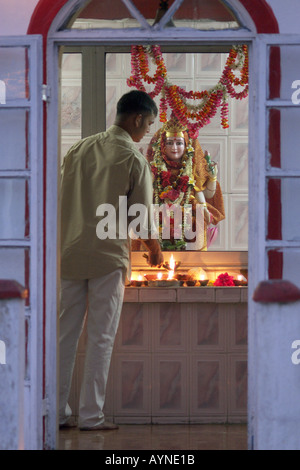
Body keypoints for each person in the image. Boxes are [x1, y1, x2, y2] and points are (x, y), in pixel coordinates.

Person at [59, 90, 164, 431]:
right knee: (100, 338)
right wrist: (155, 249)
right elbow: (141, 217)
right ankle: (91, 416)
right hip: (107, 257)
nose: (147, 130)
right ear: (136, 119)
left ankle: (57, 413)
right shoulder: (133, 157)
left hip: (69, 254)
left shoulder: (78, 149)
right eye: (148, 123)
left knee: (64, 336)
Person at [132, 116, 225, 251]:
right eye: (170, 143)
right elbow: (144, 192)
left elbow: (205, 192)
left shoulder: (191, 166)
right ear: (162, 145)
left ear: (186, 145)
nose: (174, 148)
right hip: (159, 208)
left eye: (179, 143)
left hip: (187, 210)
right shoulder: (155, 166)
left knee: (197, 218)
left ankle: (195, 265)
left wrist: (212, 178)